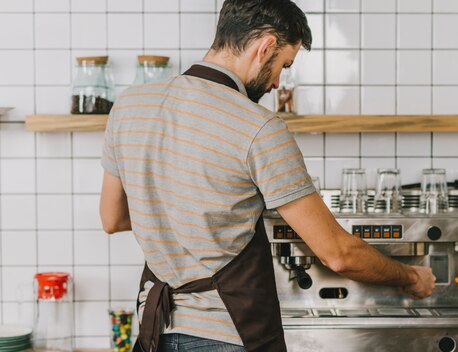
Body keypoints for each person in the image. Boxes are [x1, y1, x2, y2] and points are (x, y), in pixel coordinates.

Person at [99, 0, 436, 351]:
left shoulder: (129, 106)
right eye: (284, 65)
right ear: (266, 47)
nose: (277, 82)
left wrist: (176, 222)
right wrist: (411, 276)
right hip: (228, 334)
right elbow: (337, 253)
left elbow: (112, 218)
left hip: (155, 331)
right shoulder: (258, 127)